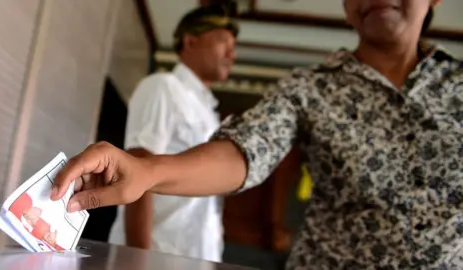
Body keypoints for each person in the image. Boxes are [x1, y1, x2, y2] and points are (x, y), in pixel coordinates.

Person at [52, 0, 463, 268]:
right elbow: (247, 149)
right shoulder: (309, 87)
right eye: (223, 42)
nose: (232, 53)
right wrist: (147, 181)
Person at [107, 4, 238, 262]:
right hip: (157, 255)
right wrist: (137, 259)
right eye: (224, 43)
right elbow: (137, 171)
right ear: (190, 41)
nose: (232, 55)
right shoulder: (162, 87)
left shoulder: (210, 113)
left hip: (196, 257)